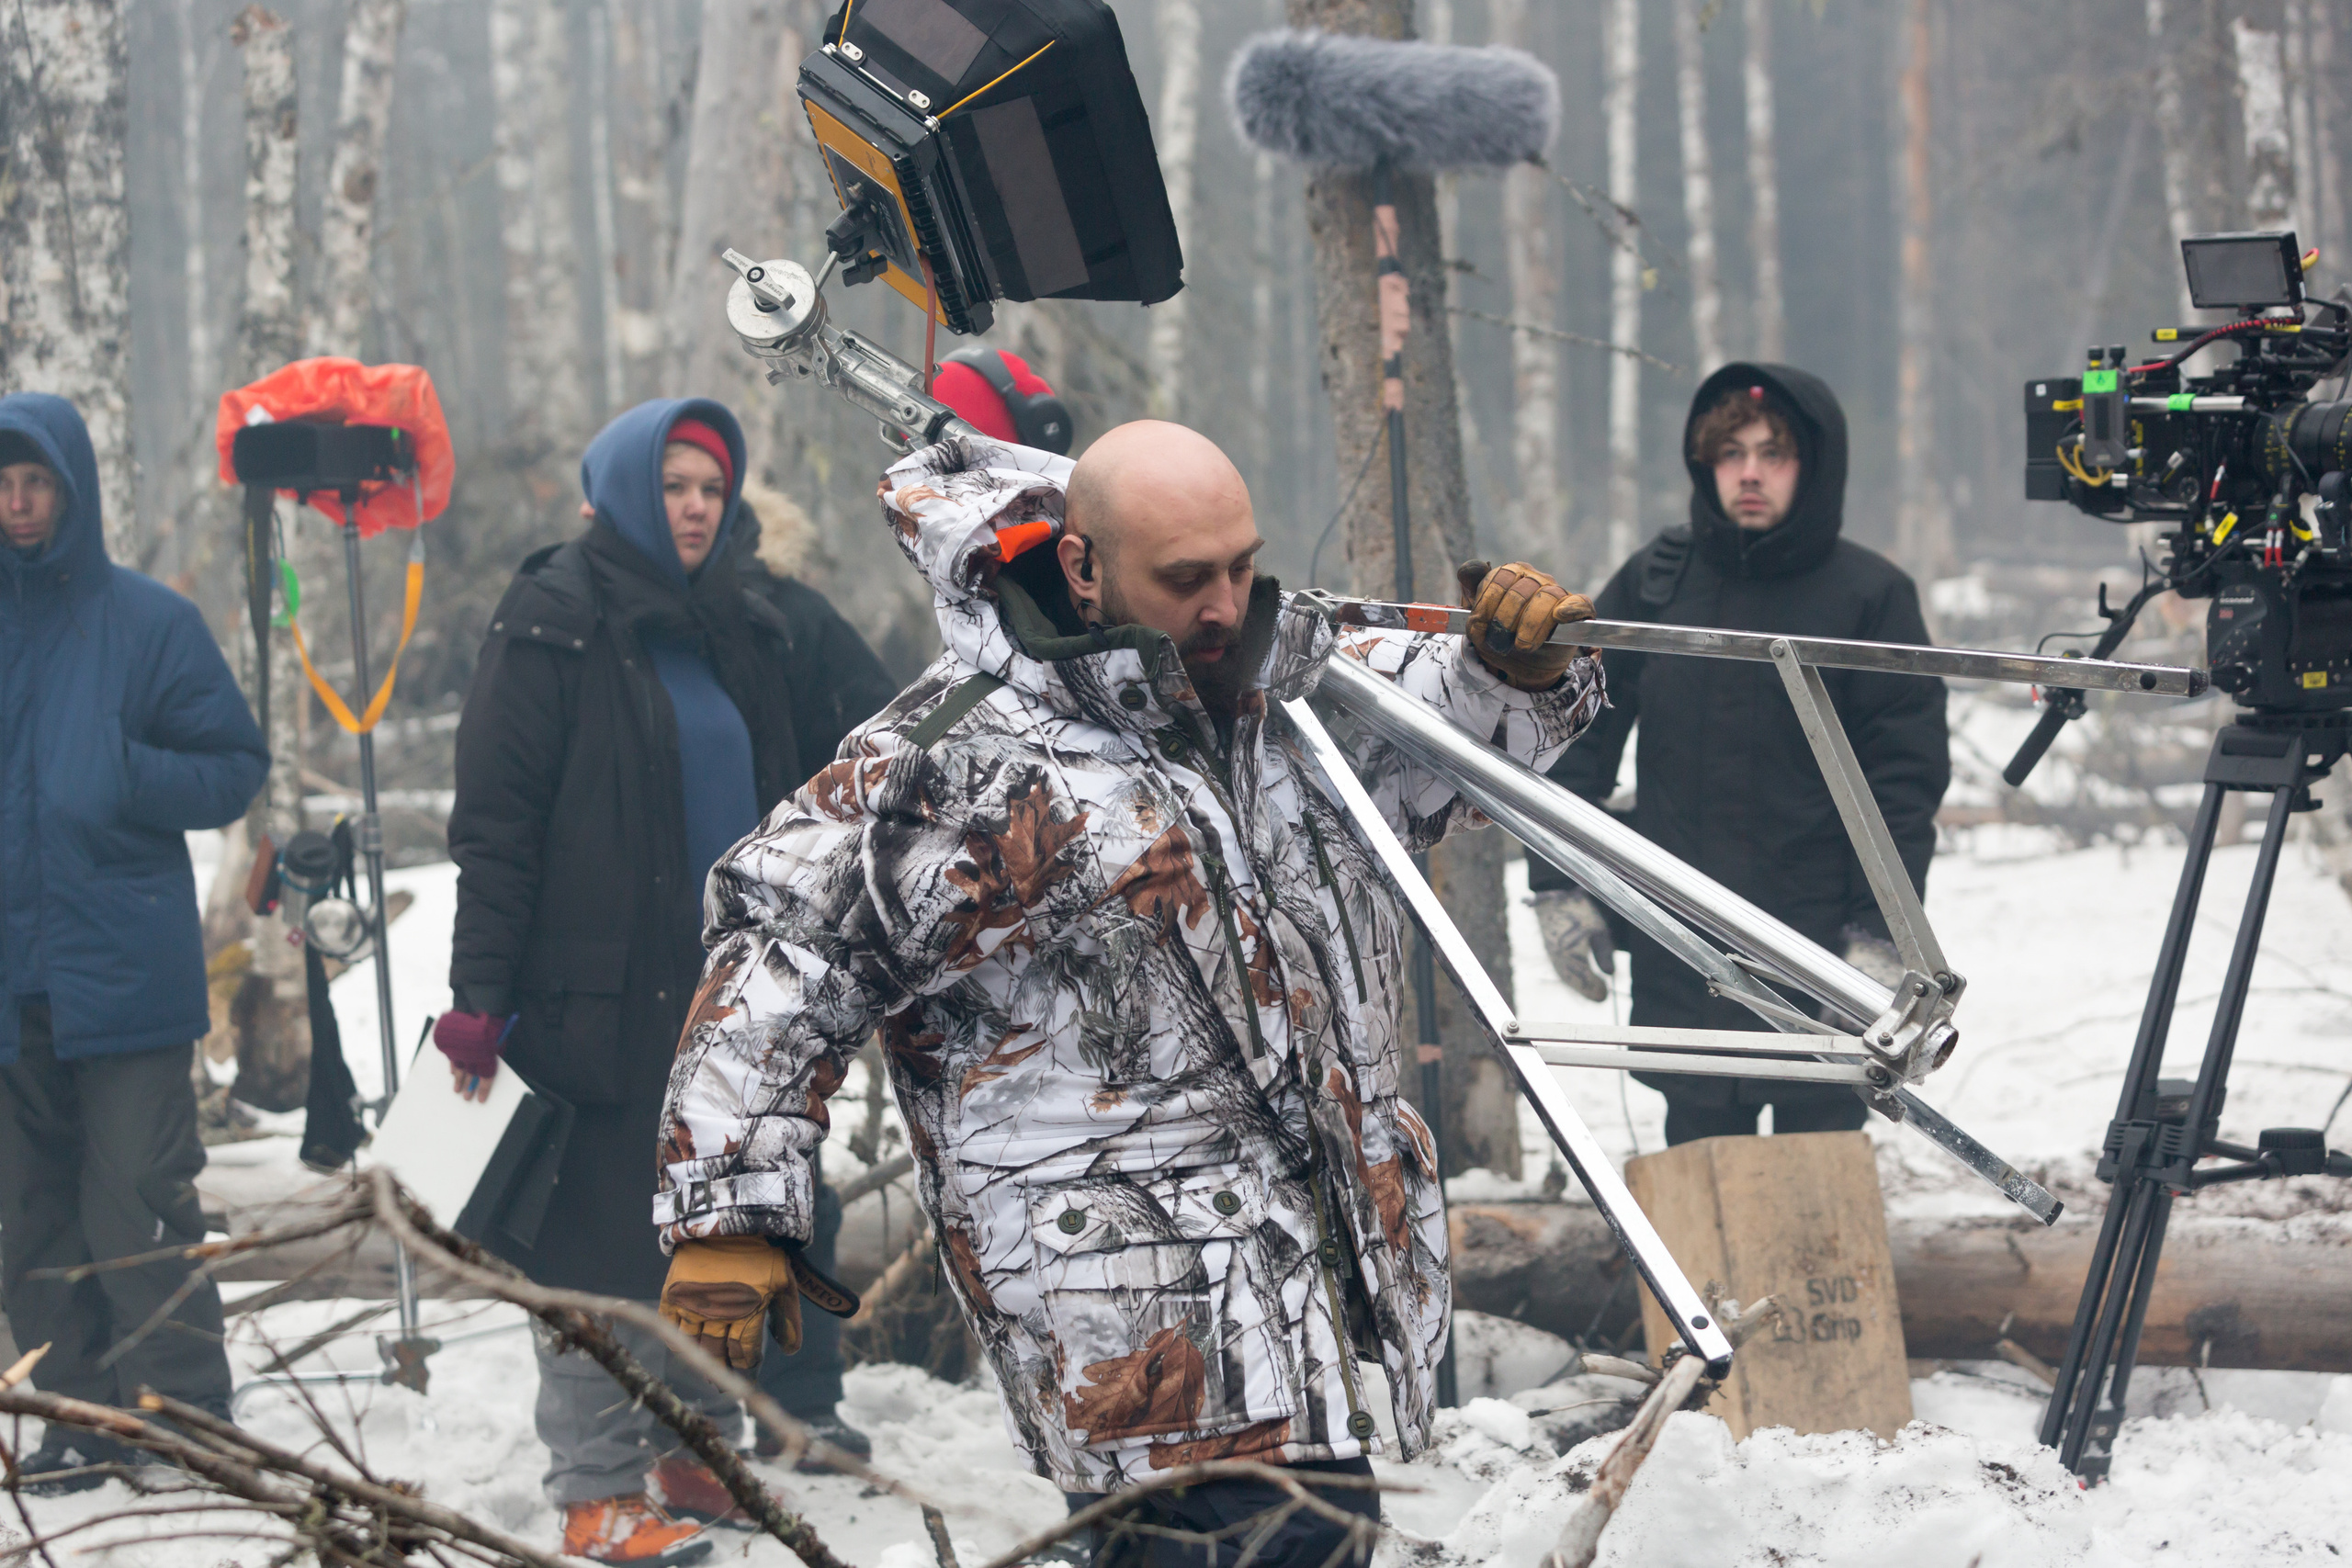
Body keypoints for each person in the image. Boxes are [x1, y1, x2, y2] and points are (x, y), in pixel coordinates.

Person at [650, 420, 1606, 1567]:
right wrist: (727, 1209)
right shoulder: (968, 753)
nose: (1224, 603)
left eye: (1242, 565)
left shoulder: (1278, 694)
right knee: (1281, 1545)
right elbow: (788, 950)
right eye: (1185, 579)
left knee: (1309, 1539)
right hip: (1126, 1310)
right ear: (1082, 566)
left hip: (1300, 1274)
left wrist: (1513, 670)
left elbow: (1437, 732)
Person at [439, 400, 878, 1564]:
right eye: (674, 485)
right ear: (624, 489)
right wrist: (478, 997)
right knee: (593, 1249)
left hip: (732, 998)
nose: (693, 507)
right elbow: (494, 821)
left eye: (710, 489)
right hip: (592, 1000)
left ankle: (692, 1446)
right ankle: (592, 1486)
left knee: (725, 1227)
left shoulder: (744, 622)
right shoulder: (552, 618)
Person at [1527, 364, 1951, 1147]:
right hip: (1683, 947)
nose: (1749, 471)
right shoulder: (1658, 583)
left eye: (1773, 453)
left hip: (1821, 948)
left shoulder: (1871, 598)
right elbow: (1574, 738)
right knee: (1700, 1169)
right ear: (1704, 463)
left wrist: (1880, 940)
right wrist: (1563, 886)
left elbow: (1903, 785)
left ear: (1814, 467)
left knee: (1817, 1164)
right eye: (1730, 452)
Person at [0, 393, 268, 1491]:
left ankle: (185, 1407)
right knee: (29, 1213)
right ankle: (79, 1414)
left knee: (137, 1197)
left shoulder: (148, 623)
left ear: (74, 490)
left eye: (35, 484)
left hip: (122, 975)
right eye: (3, 487)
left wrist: (127, 773)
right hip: (12, 983)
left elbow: (232, 767)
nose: (17, 506)